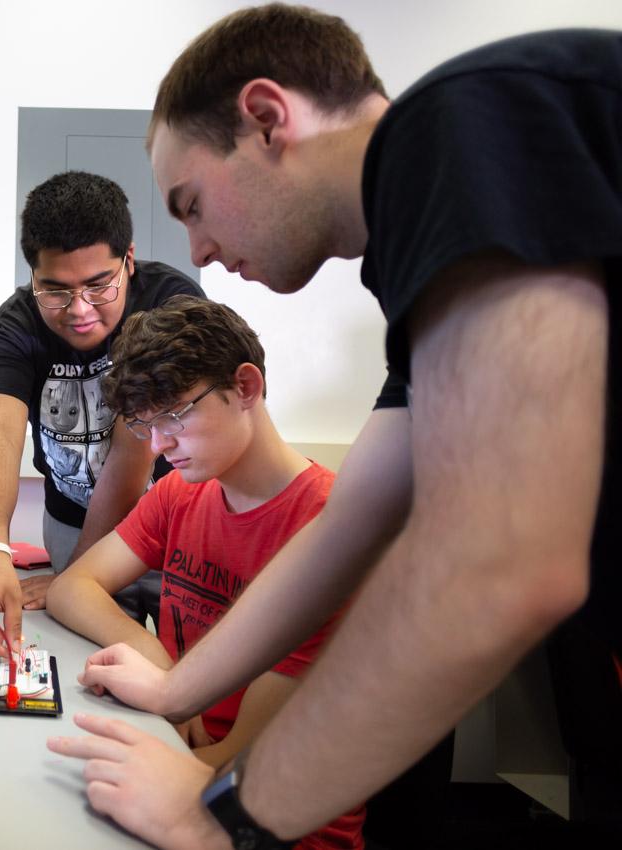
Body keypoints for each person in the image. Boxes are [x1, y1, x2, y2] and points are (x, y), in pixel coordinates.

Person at [47, 5, 622, 849]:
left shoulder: (461, 123)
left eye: (194, 203)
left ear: (269, 118)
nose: (198, 253)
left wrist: (226, 820)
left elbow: (505, 564)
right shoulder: (418, 271)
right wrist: (176, 694)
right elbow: (350, 522)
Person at [45, 296, 364, 850]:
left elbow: (237, 756)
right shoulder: (181, 493)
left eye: (175, 415)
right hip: (181, 751)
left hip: (268, 817)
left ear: (245, 387)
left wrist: (171, 699)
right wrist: (162, 667)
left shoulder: (328, 531)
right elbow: (72, 587)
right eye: (146, 424)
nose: (161, 445)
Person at [0, 171, 204, 656]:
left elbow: (133, 451)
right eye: (56, 290)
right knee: (84, 664)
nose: (79, 309)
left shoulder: (171, 305)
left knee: (187, 667)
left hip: (175, 523)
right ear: (32, 276)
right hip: (71, 520)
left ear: (128, 260)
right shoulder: (10, 330)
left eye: (98, 285)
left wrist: (74, 576)